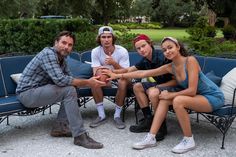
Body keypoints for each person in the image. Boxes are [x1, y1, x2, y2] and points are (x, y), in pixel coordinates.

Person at [103, 37, 224, 153]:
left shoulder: (190, 60)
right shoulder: (170, 67)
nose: (167, 51)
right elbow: (143, 73)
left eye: (170, 47)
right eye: (164, 50)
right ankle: (151, 137)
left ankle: (189, 139)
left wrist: (170, 95)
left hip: (212, 96)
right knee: (164, 100)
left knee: (177, 100)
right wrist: (118, 76)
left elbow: (192, 90)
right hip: (197, 97)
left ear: (178, 47)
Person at [16, 31, 106, 149]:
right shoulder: (48, 54)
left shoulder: (62, 59)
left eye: (70, 45)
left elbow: (70, 78)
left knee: (72, 88)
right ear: (56, 42)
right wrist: (89, 82)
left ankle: (60, 127)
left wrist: (91, 81)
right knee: (69, 90)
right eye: (63, 43)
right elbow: (61, 80)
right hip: (27, 93)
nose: (66, 47)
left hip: (39, 90)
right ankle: (79, 136)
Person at [112, 34, 176, 141]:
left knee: (153, 92)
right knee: (137, 86)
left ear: (150, 44)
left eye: (143, 46)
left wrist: (158, 87)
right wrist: (112, 72)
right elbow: (129, 70)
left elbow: (177, 80)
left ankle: (161, 125)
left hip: (173, 85)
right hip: (160, 85)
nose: (141, 50)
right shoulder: (145, 60)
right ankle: (148, 119)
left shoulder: (163, 57)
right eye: (138, 48)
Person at [89, 26, 130, 129]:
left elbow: (126, 71)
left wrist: (113, 63)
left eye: (109, 37)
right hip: (105, 75)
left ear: (113, 38)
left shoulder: (122, 51)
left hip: (121, 76)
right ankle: (101, 115)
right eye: (103, 37)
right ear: (99, 39)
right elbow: (96, 71)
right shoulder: (95, 51)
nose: (106, 40)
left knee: (122, 82)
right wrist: (105, 77)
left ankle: (117, 115)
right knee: (96, 80)